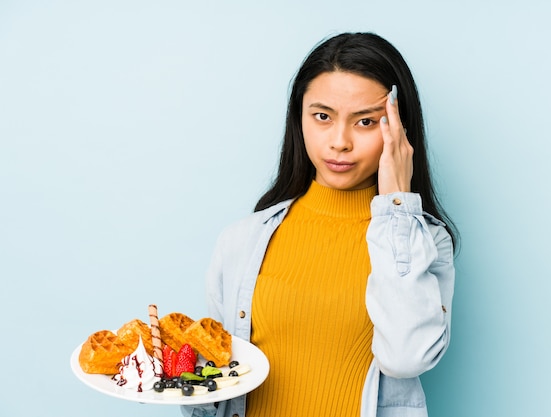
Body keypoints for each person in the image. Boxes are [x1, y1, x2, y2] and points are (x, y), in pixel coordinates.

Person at [182, 32, 457, 417]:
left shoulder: (423, 243)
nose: (339, 142)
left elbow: (406, 358)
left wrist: (397, 207)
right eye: (323, 116)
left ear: (397, 131)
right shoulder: (242, 240)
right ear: (299, 118)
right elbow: (212, 376)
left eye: (365, 121)